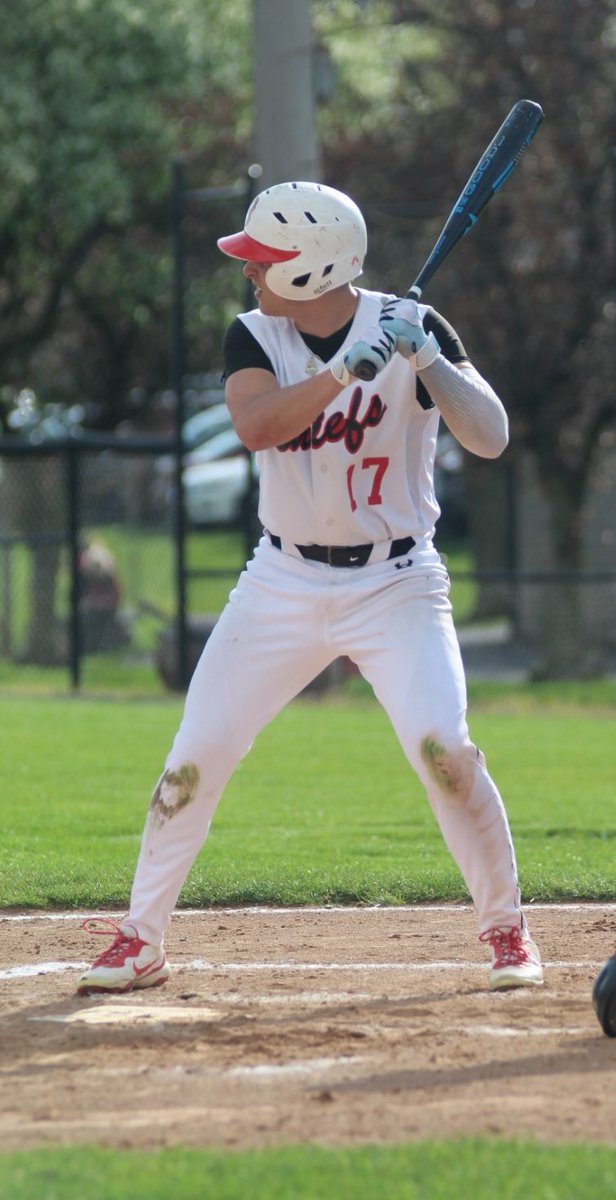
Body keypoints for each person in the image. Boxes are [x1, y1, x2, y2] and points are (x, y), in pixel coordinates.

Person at [78, 180, 543, 995]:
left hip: (399, 581)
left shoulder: (413, 326)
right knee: (196, 755)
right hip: (281, 579)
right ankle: (139, 937)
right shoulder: (253, 335)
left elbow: (492, 437)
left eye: (262, 261)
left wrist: (427, 356)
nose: (249, 273)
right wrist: (339, 376)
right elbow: (256, 427)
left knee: (445, 748)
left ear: (310, 266)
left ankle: (506, 930)